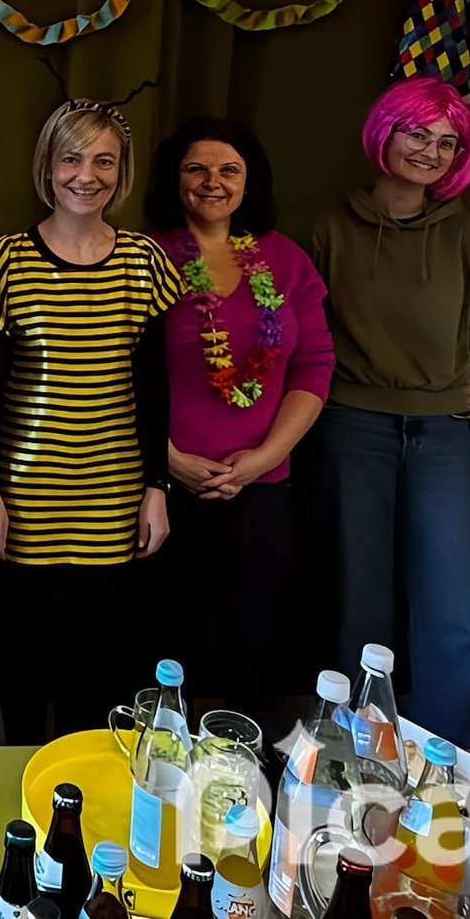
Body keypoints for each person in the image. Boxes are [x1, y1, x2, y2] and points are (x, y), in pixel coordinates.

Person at [0, 100, 180, 742]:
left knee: (98, 667)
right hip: (25, 495)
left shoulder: (143, 262)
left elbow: (154, 387)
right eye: (71, 159)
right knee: (24, 664)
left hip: (113, 497)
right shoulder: (9, 260)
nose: (86, 175)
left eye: (103, 161)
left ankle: (85, 785)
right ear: (48, 166)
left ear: (121, 172)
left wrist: (157, 488)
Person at [307, 75, 470, 746]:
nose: (431, 151)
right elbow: (308, 337)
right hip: (351, 424)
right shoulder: (328, 230)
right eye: (418, 133)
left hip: (444, 431)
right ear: (383, 134)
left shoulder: (469, 237)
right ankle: (354, 746)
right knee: (358, 599)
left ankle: (457, 754)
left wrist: (462, 428)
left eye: (447, 143)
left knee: (458, 605)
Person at [143, 116, 333, 732]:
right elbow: (111, 365)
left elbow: (314, 365)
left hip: (260, 482)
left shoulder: (285, 260)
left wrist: (264, 457)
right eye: (196, 168)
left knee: (256, 640)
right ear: (174, 179)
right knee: (162, 640)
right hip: (161, 482)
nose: (213, 182)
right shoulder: (142, 255)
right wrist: (165, 456)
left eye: (229, 170)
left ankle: (243, 763)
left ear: (250, 182)